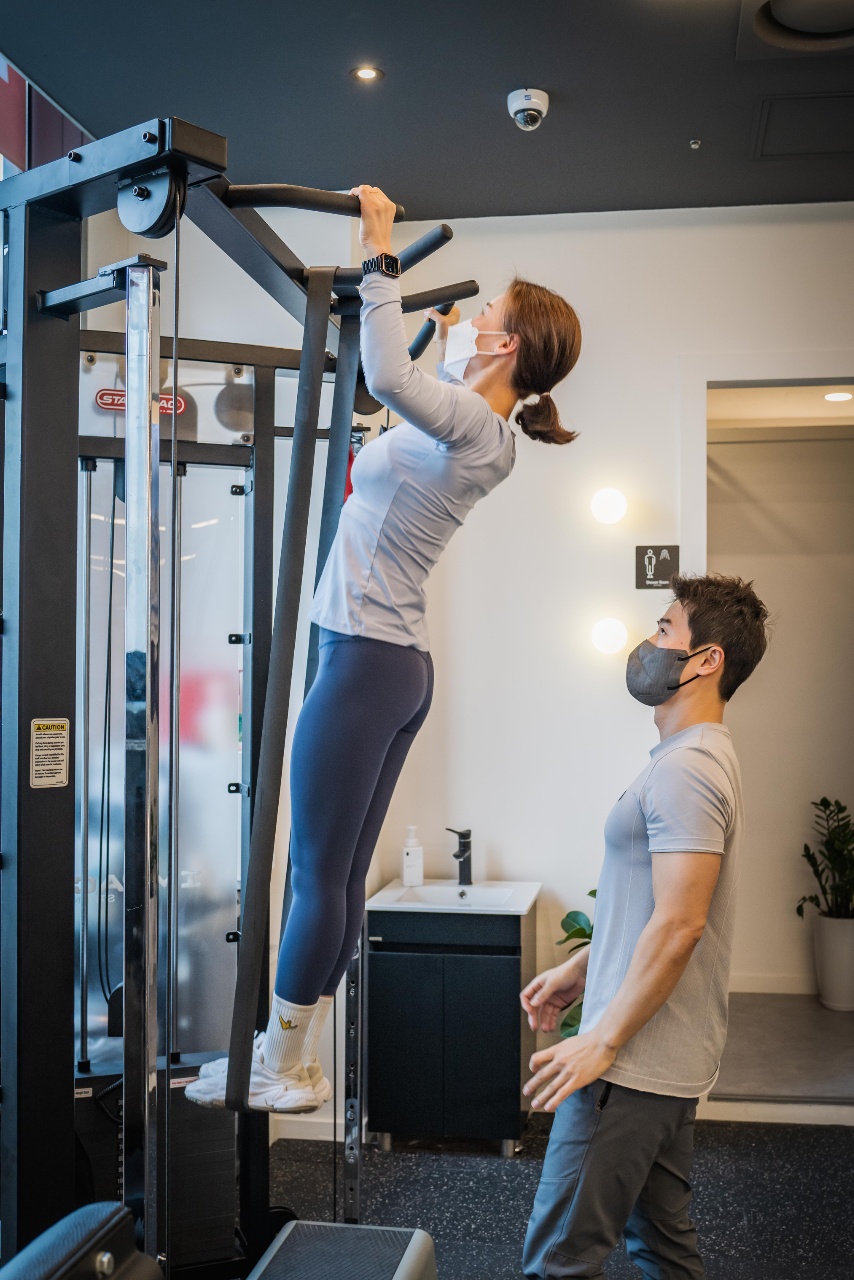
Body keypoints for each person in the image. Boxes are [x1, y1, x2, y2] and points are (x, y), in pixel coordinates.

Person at [187, 186, 582, 1112]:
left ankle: (282, 1066)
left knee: (316, 869)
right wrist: (442, 331)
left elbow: (389, 382)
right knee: (336, 871)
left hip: (367, 661)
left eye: (489, 313)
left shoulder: (478, 430)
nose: (479, 315)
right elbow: (410, 387)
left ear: (509, 344)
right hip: (388, 662)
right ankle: (294, 1052)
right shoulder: (474, 426)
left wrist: (380, 250)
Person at [521, 574, 770, 1279]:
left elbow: (684, 924)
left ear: (706, 661)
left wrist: (602, 1041)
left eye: (665, 629)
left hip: (630, 1067)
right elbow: (659, 909)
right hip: (662, 1058)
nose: (649, 642)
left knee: (558, 1260)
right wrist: (583, 968)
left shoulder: (688, 769)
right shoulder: (691, 758)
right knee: (661, 1245)